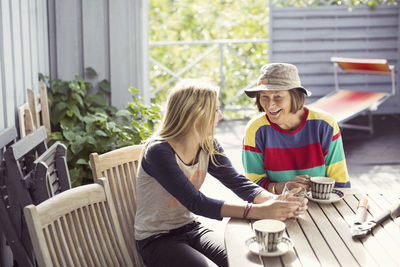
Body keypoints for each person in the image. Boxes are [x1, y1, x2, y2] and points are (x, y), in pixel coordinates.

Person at [134, 79, 307, 267]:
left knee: (242, 261)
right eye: (215, 110)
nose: (221, 116)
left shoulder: (207, 145)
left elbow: (237, 182)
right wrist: (257, 211)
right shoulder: (159, 152)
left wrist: (277, 202)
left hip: (192, 229)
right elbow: (196, 202)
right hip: (157, 239)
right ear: (196, 114)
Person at [242, 63, 351, 194]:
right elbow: (252, 185)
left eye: (278, 96)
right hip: (275, 206)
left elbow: (340, 183)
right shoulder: (255, 130)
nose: (270, 105)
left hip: (323, 204)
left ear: (295, 96)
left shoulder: (325, 125)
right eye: (264, 96)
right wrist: (279, 187)